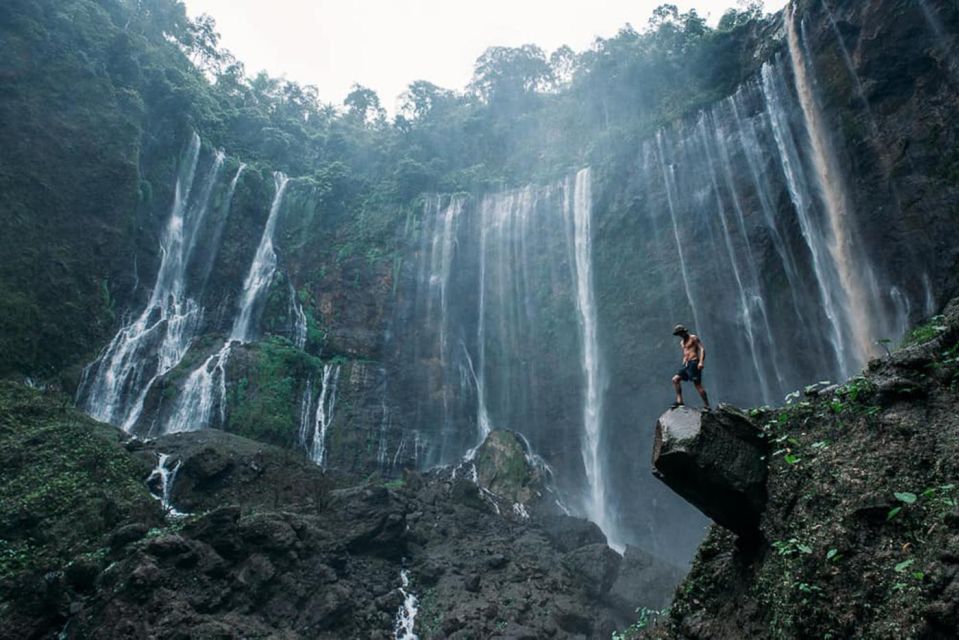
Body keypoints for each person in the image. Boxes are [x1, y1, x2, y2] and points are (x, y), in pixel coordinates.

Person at [671, 324, 710, 410]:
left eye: (681, 333)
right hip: (687, 364)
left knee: (697, 385)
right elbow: (686, 352)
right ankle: (679, 401)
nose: (680, 335)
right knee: (675, 379)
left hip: (694, 363)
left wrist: (700, 362)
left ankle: (707, 405)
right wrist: (684, 359)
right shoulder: (681, 342)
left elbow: (702, 349)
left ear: (684, 331)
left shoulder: (693, 338)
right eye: (679, 334)